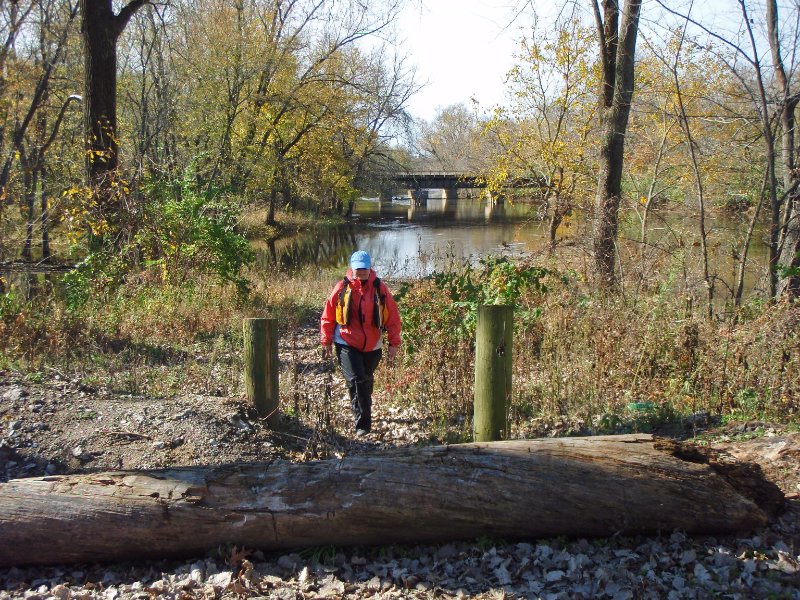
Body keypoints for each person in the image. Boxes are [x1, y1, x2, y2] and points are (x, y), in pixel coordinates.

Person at [320, 250, 401, 436]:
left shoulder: (380, 289)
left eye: (364, 269)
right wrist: (326, 341)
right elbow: (328, 316)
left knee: (365, 379)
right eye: (357, 269)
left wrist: (393, 344)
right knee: (356, 380)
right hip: (346, 342)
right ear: (352, 268)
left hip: (373, 346)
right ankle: (363, 425)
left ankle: (363, 405)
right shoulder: (342, 288)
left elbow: (393, 318)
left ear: (370, 268)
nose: (361, 272)